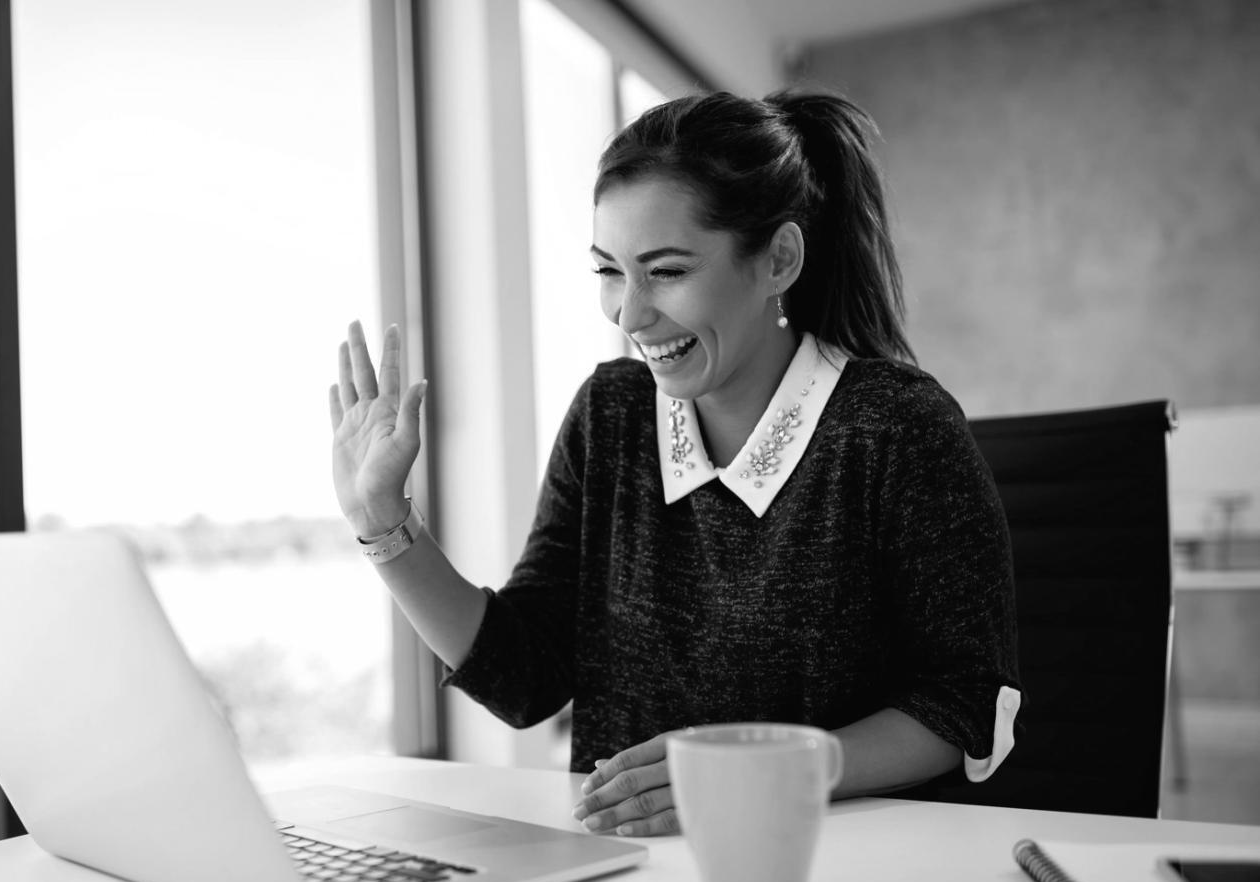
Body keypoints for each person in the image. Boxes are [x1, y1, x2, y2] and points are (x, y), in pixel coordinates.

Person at [328, 88, 1020, 839]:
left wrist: (767, 772)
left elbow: (964, 704)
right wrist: (383, 523)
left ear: (778, 260)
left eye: (665, 271)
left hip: (830, 871)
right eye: (608, 271)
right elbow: (527, 677)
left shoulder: (895, 428)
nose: (628, 314)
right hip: (626, 873)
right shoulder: (610, 416)